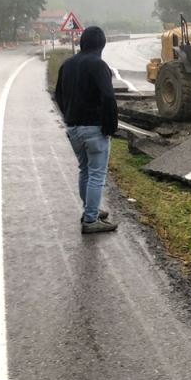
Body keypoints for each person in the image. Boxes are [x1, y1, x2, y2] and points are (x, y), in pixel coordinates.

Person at [55, 26, 119, 234]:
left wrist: (69, 116)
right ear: (101, 45)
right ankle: (91, 220)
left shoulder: (67, 65)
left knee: (85, 170)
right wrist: (111, 125)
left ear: (82, 42)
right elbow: (109, 97)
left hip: (73, 128)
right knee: (97, 174)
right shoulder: (98, 65)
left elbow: (58, 95)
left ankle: (89, 210)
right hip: (94, 128)